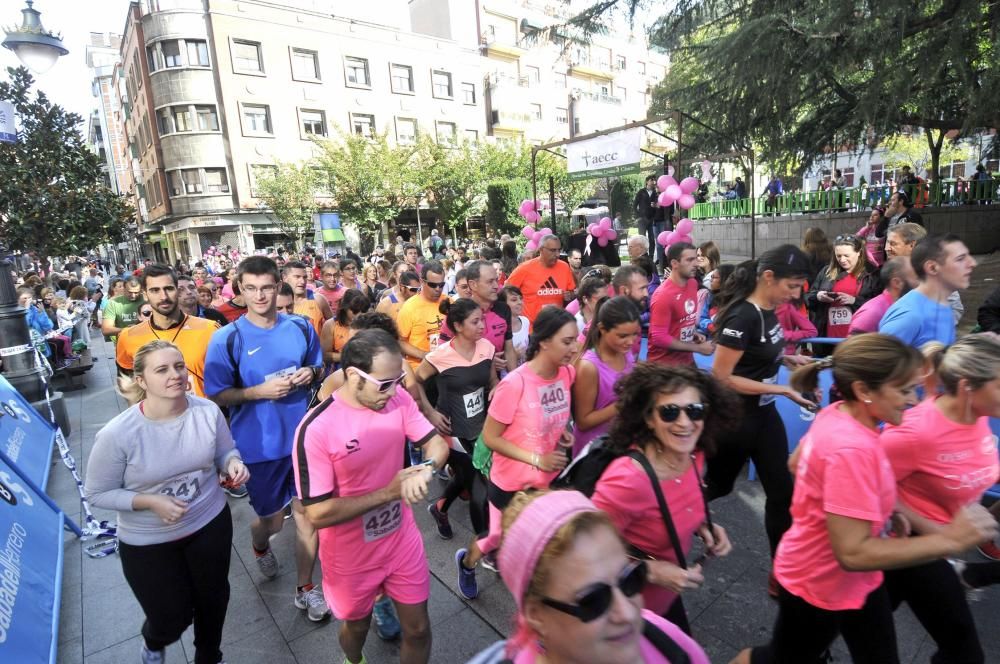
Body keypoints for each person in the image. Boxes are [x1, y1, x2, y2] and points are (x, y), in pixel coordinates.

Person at [732, 334, 997, 664]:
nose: (913, 401)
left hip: (859, 582)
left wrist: (877, 508)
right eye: (902, 391)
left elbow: (796, 463)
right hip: (820, 585)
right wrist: (950, 540)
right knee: (776, 659)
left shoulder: (839, 412)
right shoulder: (852, 450)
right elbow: (852, 553)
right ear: (864, 391)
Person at [85, 340, 249, 664]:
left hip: (209, 522)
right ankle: (153, 642)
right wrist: (149, 501)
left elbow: (225, 451)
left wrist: (233, 464)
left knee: (213, 599)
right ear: (142, 381)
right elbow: (97, 493)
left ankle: (209, 656)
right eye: (161, 370)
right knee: (170, 618)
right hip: (148, 541)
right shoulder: (117, 434)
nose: (174, 375)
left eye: (178, 366)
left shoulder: (207, 410)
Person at [294, 330, 450, 664]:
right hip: (350, 556)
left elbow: (436, 444)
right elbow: (317, 513)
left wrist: (427, 468)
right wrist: (388, 493)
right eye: (384, 383)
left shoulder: (399, 400)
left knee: (419, 629)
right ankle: (354, 660)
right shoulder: (316, 429)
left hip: (400, 539)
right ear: (353, 375)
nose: (395, 390)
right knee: (356, 628)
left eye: (397, 380)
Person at [202, 256, 330, 622]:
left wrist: (310, 371)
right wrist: (258, 392)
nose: (260, 295)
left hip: (304, 440)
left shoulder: (301, 327)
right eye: (251, 288)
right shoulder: (227, 338)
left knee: (308, 515)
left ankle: (306, 588)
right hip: (259, 445)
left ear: (279, 287)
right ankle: (260, 546)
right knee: (273, 521)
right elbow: (217, 394)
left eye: (267, 287)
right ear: (239, 290)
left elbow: (319, 366)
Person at [467, 490, 710, 664]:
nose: (627, 613)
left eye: (629, 581)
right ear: (536, 615)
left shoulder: (664, 638)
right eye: (594, 600)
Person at [879, 335, 1000, 663]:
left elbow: (970, 464)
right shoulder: (914, 433)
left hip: (933, 552)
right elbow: (870, 487)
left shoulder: (979, 415)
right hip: (902, 546)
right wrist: (941, 534)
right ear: (967, 388)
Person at [592, 363, 738, 631]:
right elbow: (585, 555)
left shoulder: (695, 453)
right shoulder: (628, 481)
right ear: (649, 419)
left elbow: (675, 502)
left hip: (665, 601)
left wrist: (702, 525)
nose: (684, 423)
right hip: (624, 611)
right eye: (670, 412)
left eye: (694, 411)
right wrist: (649, 571)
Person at [456, 307, 578, 599]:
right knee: (496, 536)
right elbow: (491, 437)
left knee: (543, 542)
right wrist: (537, 458)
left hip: (547, 480)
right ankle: (467, 563)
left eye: (576, 340)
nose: (574, 348)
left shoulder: (568, 374)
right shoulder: (515, 384)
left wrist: (561, 431)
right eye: (567, 341)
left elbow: (553, 414)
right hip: (511, 482)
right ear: (545, 341)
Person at [707, 246, 817, 564]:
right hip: (736, 418)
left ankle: (782, 569)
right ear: (768, 277)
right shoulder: (743, 315)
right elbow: (722, 376)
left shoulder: (769, 308)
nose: (795, 294)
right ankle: (660, 516)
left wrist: (786, 357)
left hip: (764, 414)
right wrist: (783, 389)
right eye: (791, 286)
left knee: (783, 493)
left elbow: (757, 353)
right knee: (718, 485)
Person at [418, 299, 497, 540]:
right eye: (475, 321)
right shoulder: (440, 356)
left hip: (481, 427)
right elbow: (415, 381)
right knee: (479, 489)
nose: (482, 325)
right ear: (458, 326)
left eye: (482, 319)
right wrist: (431, 413)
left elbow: (492, 380)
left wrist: (496, 389)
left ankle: (439, 508)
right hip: (452, 430)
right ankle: (485, 547)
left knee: (465, 476)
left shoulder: (486, 347)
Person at [116, 264, 220, 398]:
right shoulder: (128, 337)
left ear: (177, 290)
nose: (163, 297)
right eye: (155, 290)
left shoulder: (210, 329)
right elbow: (129, 386)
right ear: (145, 295)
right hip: (157, 416)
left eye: (169, 289)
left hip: (204, 414)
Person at [571, 296, 641, 456]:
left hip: (621, 442)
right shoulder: (589, 367)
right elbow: (583, 421)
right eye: (623, 336)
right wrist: (624, 404)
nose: (630, 342)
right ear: (602, 329)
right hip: (595, 452)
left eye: (634, 335)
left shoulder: (625, 353)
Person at [879, 234, 976, 347]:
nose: (972, 263)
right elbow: (880, 362)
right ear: (932, 268)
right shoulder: (909, 317)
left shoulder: (944, 305)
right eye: (960, 259)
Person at [439, 261, 518, 373]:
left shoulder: (504, 309)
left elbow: (509, 348)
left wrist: (514, 381)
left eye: (496, 280)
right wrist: (483, 362)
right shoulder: (458, 312)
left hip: (496, 382)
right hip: (465, 385)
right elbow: (441, 354)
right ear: (473, 285)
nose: (496, 286)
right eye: (490, 281)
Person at [805, 234, 878, 348]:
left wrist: (854, 301)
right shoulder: (826, 272)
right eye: (838, 256)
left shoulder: (872, 274)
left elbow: (878, 306)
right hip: (827, 339)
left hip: (858, 340)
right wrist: (818, 296)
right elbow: (807, 298)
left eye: (846, 255)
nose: (842, 260)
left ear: (859, 252)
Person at [649, 243, 715, 365]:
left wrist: (692, 333)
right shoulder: (663, 295)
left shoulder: (692, 284)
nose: (695, 263)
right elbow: (658, 337)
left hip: (686, 360)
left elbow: (681, 320)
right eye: (690, 260)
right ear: (674, 263)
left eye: (695, 258)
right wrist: (698, 348)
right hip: (664, 365)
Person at [505, 235, 577, 323]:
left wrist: (569, 296)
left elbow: (572, 293)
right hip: (532, 329)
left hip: (555, 325)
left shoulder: (564, 267)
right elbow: (506, 292)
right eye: (553, 250)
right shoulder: (524, 268)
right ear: (541, 249)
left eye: (559, 250)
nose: (557, 254)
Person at [397, 261, 448, 368]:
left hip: (446, 365)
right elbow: (399, 341)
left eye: (441, 285)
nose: (438, 289)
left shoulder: (449, 302)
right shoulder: (409, 307)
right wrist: (424, 355)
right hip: (420, 368)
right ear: (422, 281)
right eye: (432, 285)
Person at [847, 257, 918, 335]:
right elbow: (854, 346)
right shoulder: (871, 313)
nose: (921, 283)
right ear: (897, 283)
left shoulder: (907, 306)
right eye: (917, 278)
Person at [320, 288, 369, 367]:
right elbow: (325, 355)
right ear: (345, 308)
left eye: (363, 311)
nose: (360, 315)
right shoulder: (330, 325)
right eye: (355, 311)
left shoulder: (369, 324)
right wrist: (351, 357)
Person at [282, 260, 332, 336]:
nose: (302, 281)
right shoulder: (275, 303)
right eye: (297, 277)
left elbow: (334, 327)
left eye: (304, 277)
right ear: (284, 278)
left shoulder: (318, 300)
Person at [101, 275, 145, 342]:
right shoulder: (113, 304)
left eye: (136, 292)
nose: (133, 295)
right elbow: (106, 329)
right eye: (130, 292)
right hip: (124, 344)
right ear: (124, 289)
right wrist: (128, 330)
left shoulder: (147, 300)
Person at [634, 175, 664, 261]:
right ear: (647, 181)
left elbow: (659, 205)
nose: (653, 182)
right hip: (642, 219)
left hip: (652, 219)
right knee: (642, 239)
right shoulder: (641, 192)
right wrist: (638, 217)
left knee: (652, 239)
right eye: (652, 180)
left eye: (655, 180)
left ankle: (651, 257)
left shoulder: (656, 193)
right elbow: (635, 205)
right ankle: (643, 257)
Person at [500, 285, 530, 367]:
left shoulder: (525, 321)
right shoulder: (500, 326)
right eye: (514, 300)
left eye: (520, 298)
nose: (520, 302)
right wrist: (513, 356)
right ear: (503, 304)